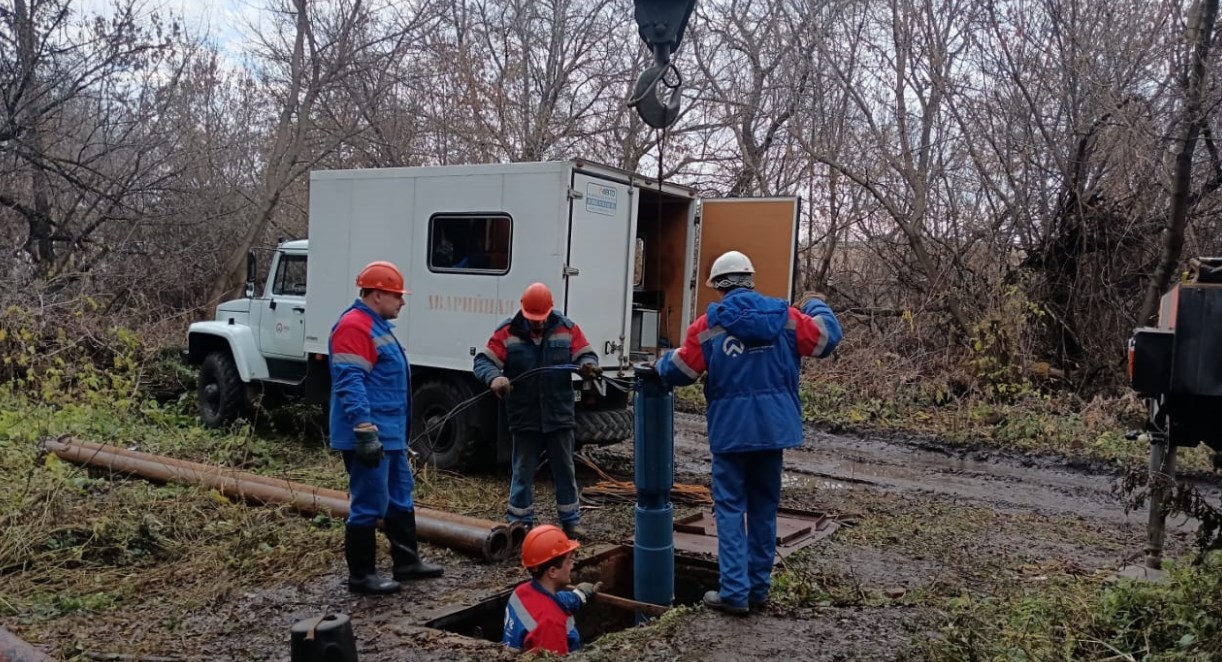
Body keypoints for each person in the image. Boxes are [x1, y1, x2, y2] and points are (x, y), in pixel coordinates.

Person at [655, 250, 842, 615]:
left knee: (728, 509)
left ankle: (734, 594)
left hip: (731, 433)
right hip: (773, 430)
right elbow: (827, 339)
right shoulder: (786, 318)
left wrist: (659, 362)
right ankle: (758, 589)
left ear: (719, 287)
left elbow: (679, 372)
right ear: (750, 280)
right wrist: (817, 305)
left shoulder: (707, 327)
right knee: (763, 509)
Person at [329, 260, 444, 595]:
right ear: (377, 294)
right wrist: (364, 428)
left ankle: (406, 562)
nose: (402, 302)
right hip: (372, 433)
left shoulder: (376, 326)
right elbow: (350, 381)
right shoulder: (354, 326)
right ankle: (361, 576)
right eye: (397, 296)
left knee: (399, 496)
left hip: (390, 434)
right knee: (368, 501)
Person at [473, 282, 601, 539]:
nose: (538, 324)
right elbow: (483, 361)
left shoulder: (566, 328)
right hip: (525, 415)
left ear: (550, 311)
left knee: (565, 468)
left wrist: (587, 366)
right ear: (523, 311)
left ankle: (571, 521)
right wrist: (494, 379)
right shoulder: (507, 332)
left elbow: (587, 354)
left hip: (559, 415)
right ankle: (519, 523)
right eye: (534, 320)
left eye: (542, 319)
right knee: (522, 470)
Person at [502, 524, 601, 655]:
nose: (573, 565)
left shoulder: (521, 592)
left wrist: (579, 595)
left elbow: (555, 601)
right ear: (552, 571)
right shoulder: (550, 624)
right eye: (569, 561)